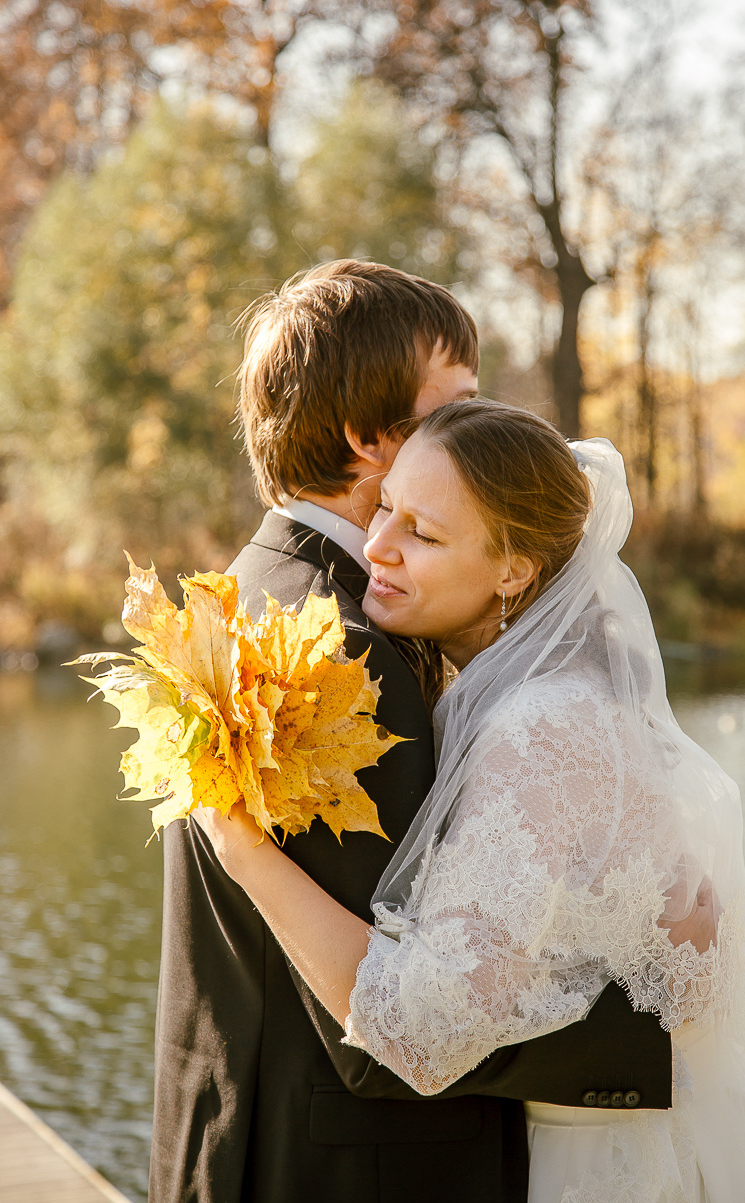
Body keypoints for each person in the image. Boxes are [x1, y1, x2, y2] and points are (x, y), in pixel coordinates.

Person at [197, 398, 745, 1202]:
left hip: (619, 1166)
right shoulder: (539, 687)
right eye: (384, 508)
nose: (376, 545)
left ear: (513, 572)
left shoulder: (541, 726)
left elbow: (421, 1034)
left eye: (423, 533)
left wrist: (243, 852)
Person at [149, 263, 672, 1203]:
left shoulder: (249, 595)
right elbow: (386, 1027)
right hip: (349, 1170)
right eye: (457, 400)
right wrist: (662, 1026)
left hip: (243, 1131)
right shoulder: (341, 653)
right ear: (369, 439)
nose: (482, 420)